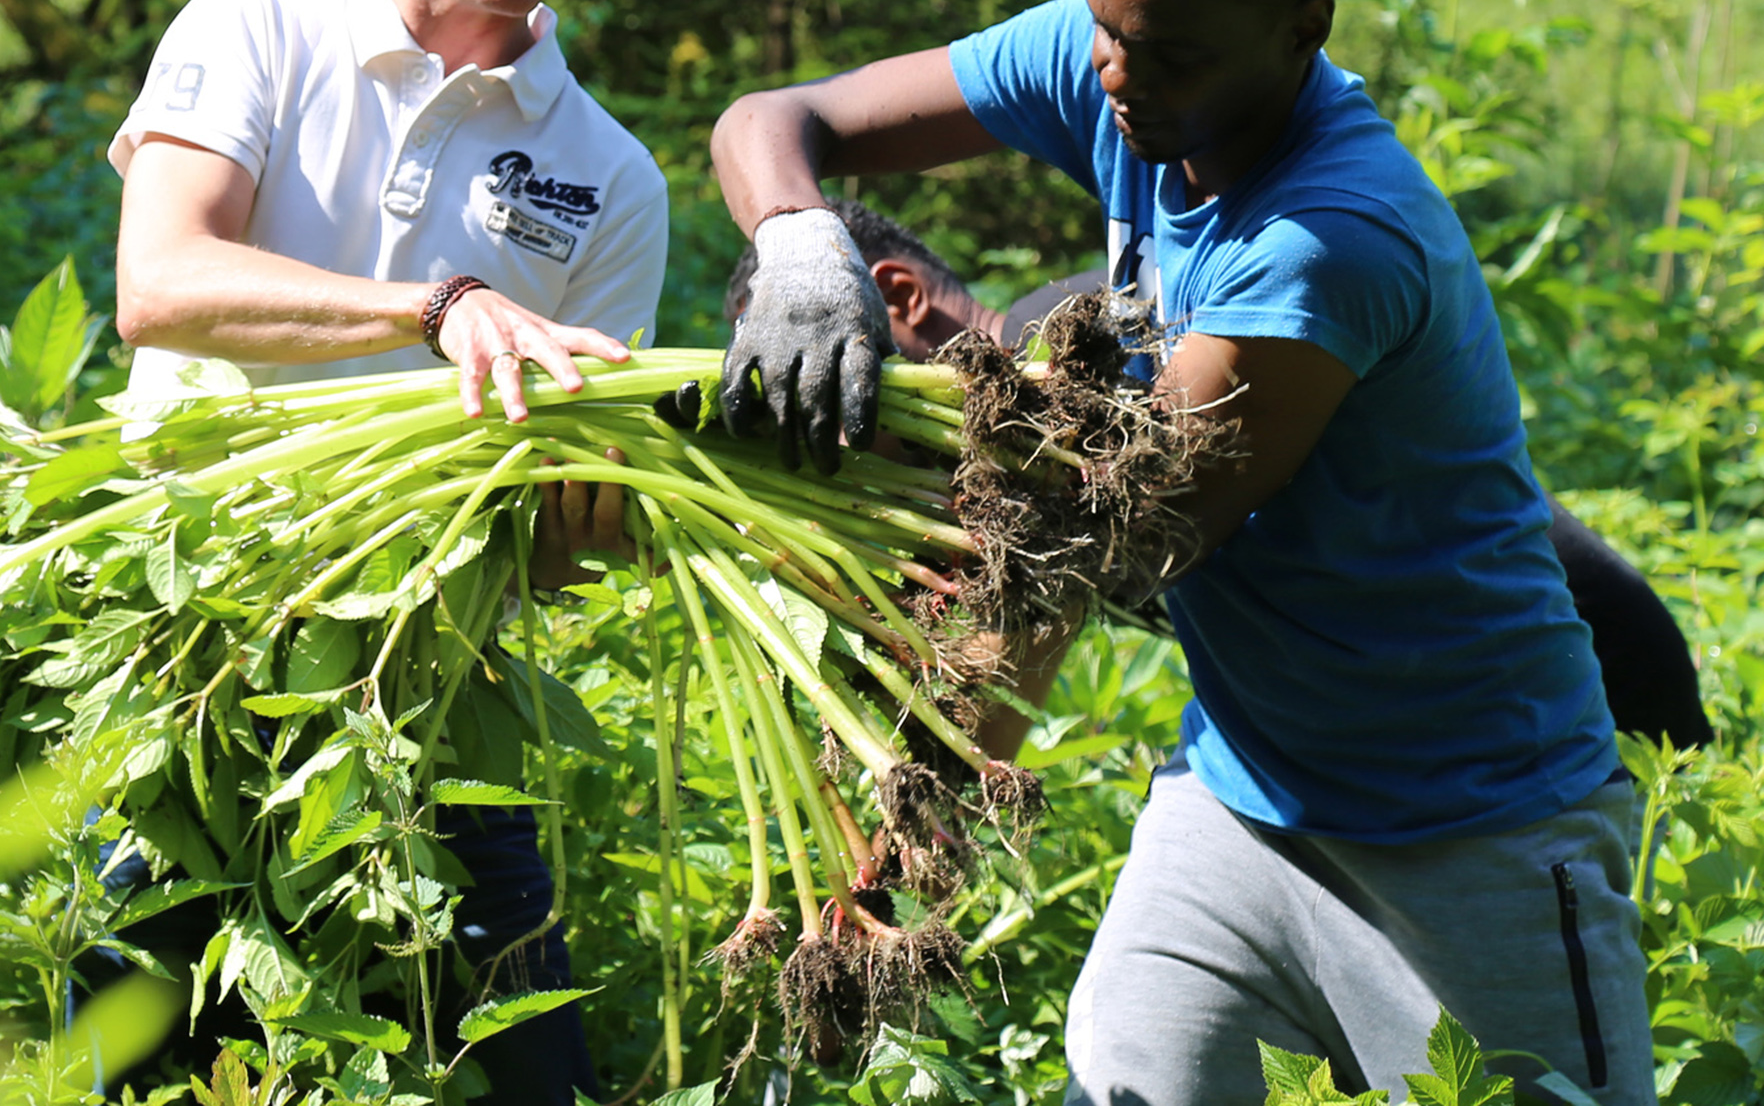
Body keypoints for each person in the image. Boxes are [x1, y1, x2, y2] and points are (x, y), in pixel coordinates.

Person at [706, 0, 1653, 1104]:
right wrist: (800, 237)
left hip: (1475, 822)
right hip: (1246, 791)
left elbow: (1091, 543)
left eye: (1165, 50)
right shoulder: (1123, 48)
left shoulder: (1327, 239)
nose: (1111, 72)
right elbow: (781, 114)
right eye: (1103, 24)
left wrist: (883, 863)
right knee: (1131, 1072)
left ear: (1302, 28)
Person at [96, 0, 670, 1102]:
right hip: (196, 661)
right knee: (147, 1060)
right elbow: (160, 282)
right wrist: (437, 305)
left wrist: (601, 511)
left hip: (428, 698)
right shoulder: (257, 30)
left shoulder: (609, 176)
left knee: (528, 1074)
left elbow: (545, 546)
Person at [722, 199, 1713, 756]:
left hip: (1573, 692)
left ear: (892, 299)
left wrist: (905, 801)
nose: (837, 439)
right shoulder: (1010, 423)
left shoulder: (1057, 353)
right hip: (1422, 723)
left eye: (835, 381)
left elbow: (1010, 660)